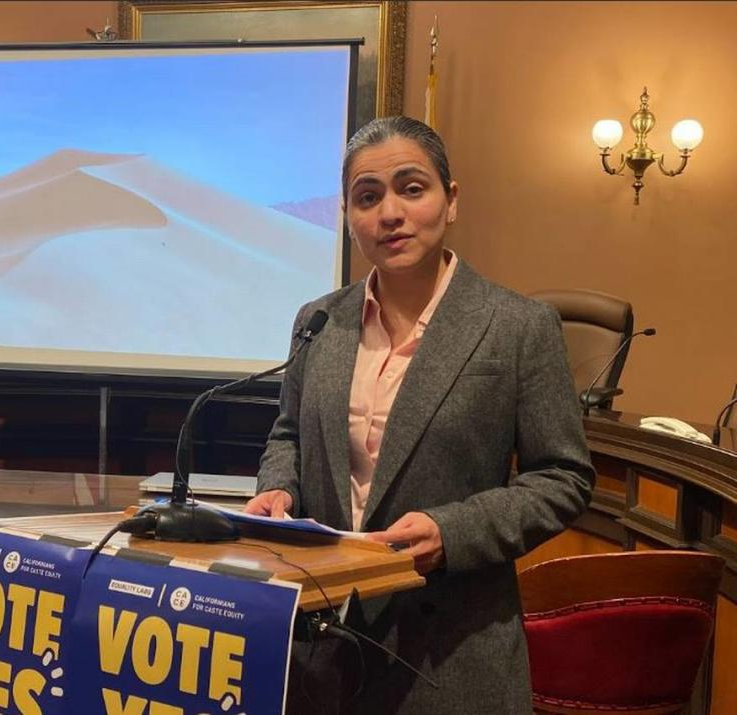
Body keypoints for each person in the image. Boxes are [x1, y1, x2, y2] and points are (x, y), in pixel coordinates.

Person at [245, 116, 595, 714]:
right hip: (322, 651)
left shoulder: (517, 327)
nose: (390, 213)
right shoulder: (318, 321)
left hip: (450, 653)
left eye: (412, 188)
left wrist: (451, 532)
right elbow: (289, 435)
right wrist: (278, 487)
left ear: (450, 200)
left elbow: (563, 478)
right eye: (367, 197)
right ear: (349, 217)